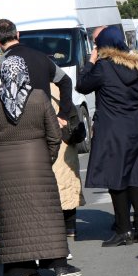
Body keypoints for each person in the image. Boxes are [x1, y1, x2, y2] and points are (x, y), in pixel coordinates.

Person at [0, 56, 81, 276]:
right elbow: (54, 135)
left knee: (13, 219)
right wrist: (47, 158)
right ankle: (58, 265)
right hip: (37, 164)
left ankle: (20, 270)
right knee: (46, 215)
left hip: (4, 169)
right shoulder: (39, 98)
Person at [76, 26, 138, 247]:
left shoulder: (103, 68)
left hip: (112, 128)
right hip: (137, 125)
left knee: (115, 179)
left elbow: (82, 85)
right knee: (137, 178)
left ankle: (123, 230)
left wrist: (90, 61)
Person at [0, 19, 75, 126]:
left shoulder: (6, 62)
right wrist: (63, 114)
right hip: (46, 121)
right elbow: (66, 81)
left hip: (22, 125)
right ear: (17, 35)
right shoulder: (41, 57)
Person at [50, 83, 86, 238]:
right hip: (66, 141)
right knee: (68, 183)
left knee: (54, 185)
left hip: (52, 141)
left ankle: (57, 227)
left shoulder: (34, 90)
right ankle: (70, 227)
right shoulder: (60, 88)